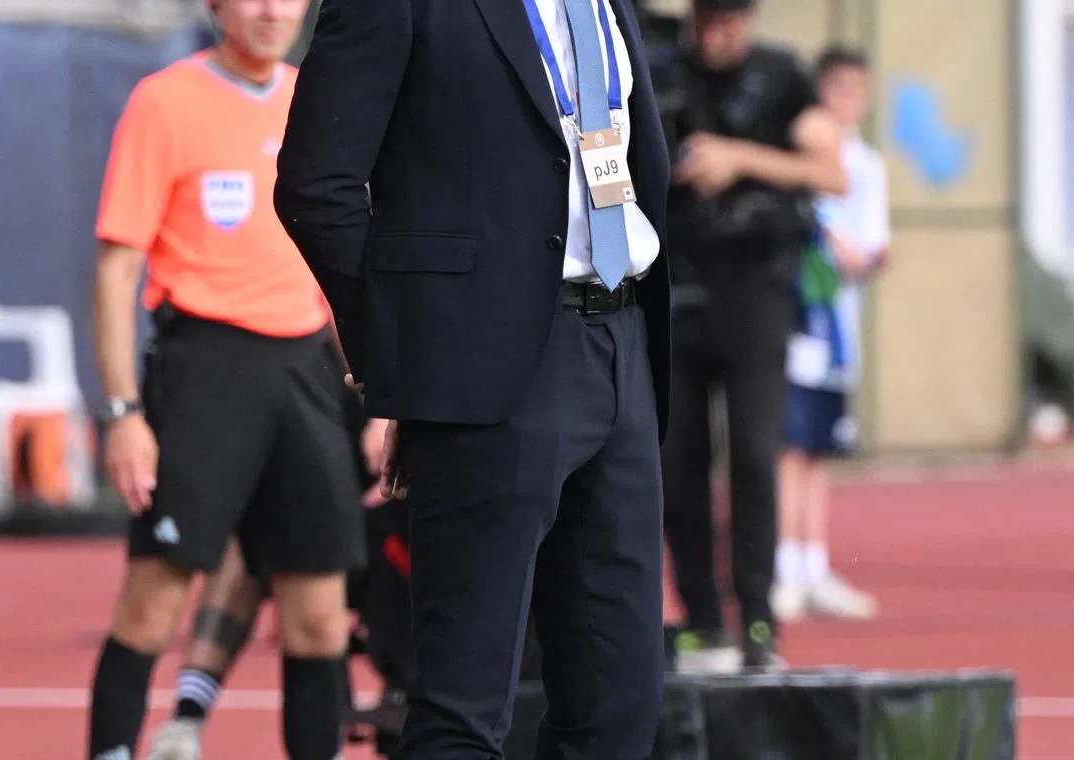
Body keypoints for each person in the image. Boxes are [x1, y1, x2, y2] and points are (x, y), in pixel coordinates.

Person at [273, 0, 673, 758]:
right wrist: (410, 352)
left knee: (620, 701)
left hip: (623, 343)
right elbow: (315, 186)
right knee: (464, 709)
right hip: (485, 367)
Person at [86, 2, 366, 759]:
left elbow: (340, 266)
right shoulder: (165, 101)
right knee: (152, 609)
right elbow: (116, 269)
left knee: (317, 620)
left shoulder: (322, 98)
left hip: (306, 372)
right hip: (204, 371)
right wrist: (121, 412)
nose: (274, 9)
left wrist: (377, 391)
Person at [656, 0, 847, 674]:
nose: (717, 35)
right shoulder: (663, 70)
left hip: (755, 293)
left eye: (730, 21)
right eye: (707, 21)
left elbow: (831, 170)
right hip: (677, 288)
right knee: (677, 465)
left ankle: (758, 621)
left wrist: (739, 158)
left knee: (753, 459)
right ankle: (703, 619)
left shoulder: (782, 76)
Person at [774, 46, 889, 623]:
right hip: (794, 327)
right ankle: (782, 567)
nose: (845, 102)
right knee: (787, 448)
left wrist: (852, 257)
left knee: (816, 450)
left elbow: (873, 252)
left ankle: (814, 566)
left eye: (855, 91)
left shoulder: (868, 166)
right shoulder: (796, 159)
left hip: (836, 328)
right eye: (834, 89)